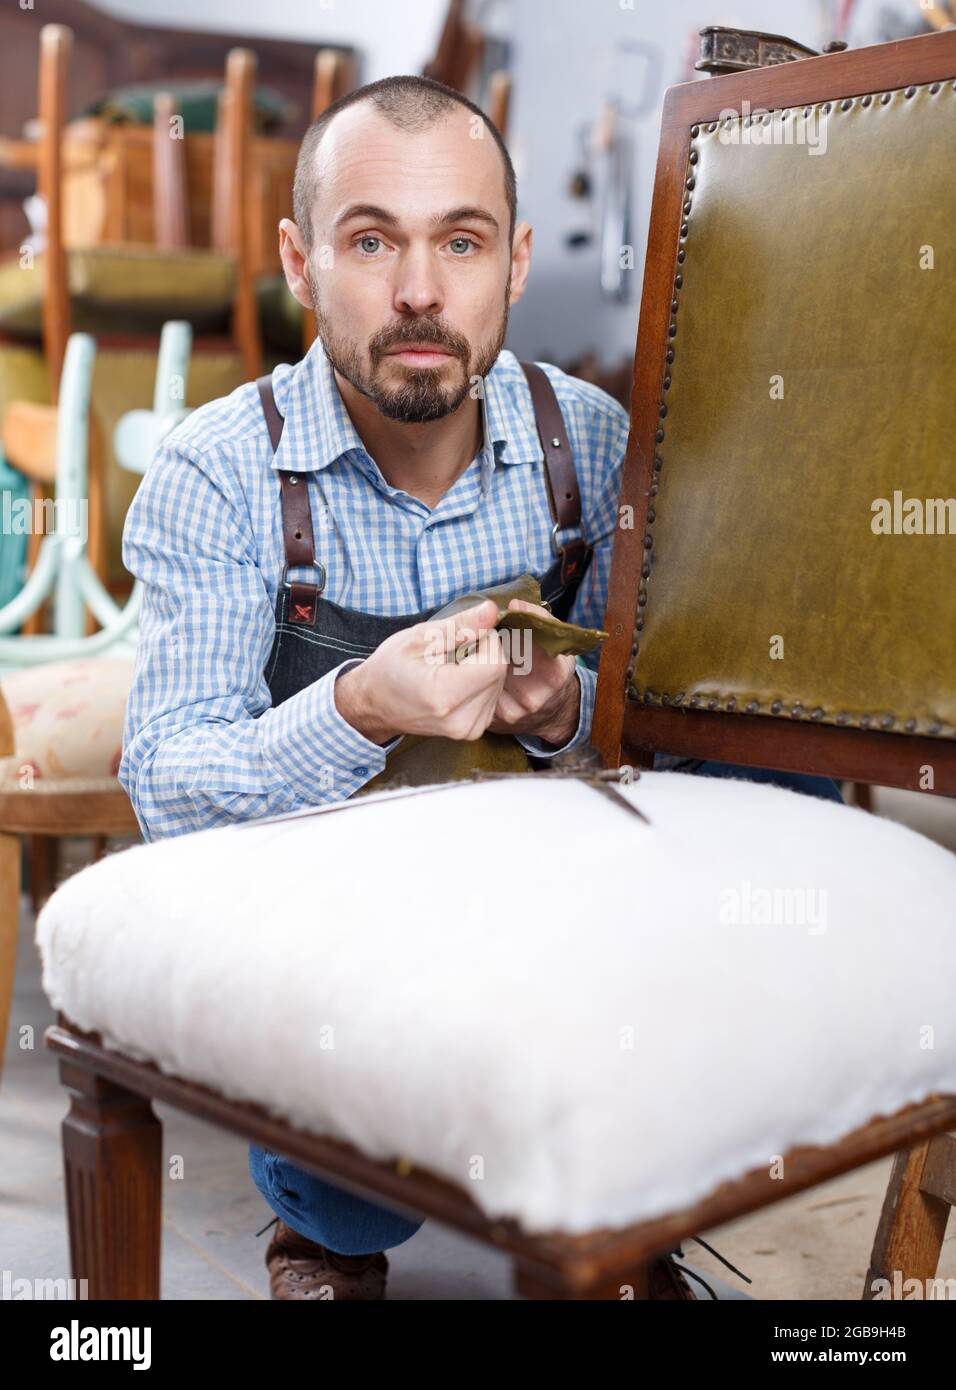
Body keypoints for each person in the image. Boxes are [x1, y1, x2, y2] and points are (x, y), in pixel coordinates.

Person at [119, 73, 840, 1302]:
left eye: (460, 242)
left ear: (511, 264)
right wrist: (359, 707)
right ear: (299, 263)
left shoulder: (594, 447)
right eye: (369, 241)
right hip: (344, 962)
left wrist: (565, 715)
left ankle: (616, 1206)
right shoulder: (218, 474)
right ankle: (322, 1231)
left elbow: (690, 766)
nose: (417, 292)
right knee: (343, 1184)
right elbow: (166, 795)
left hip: (560, 928)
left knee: (774, 749)